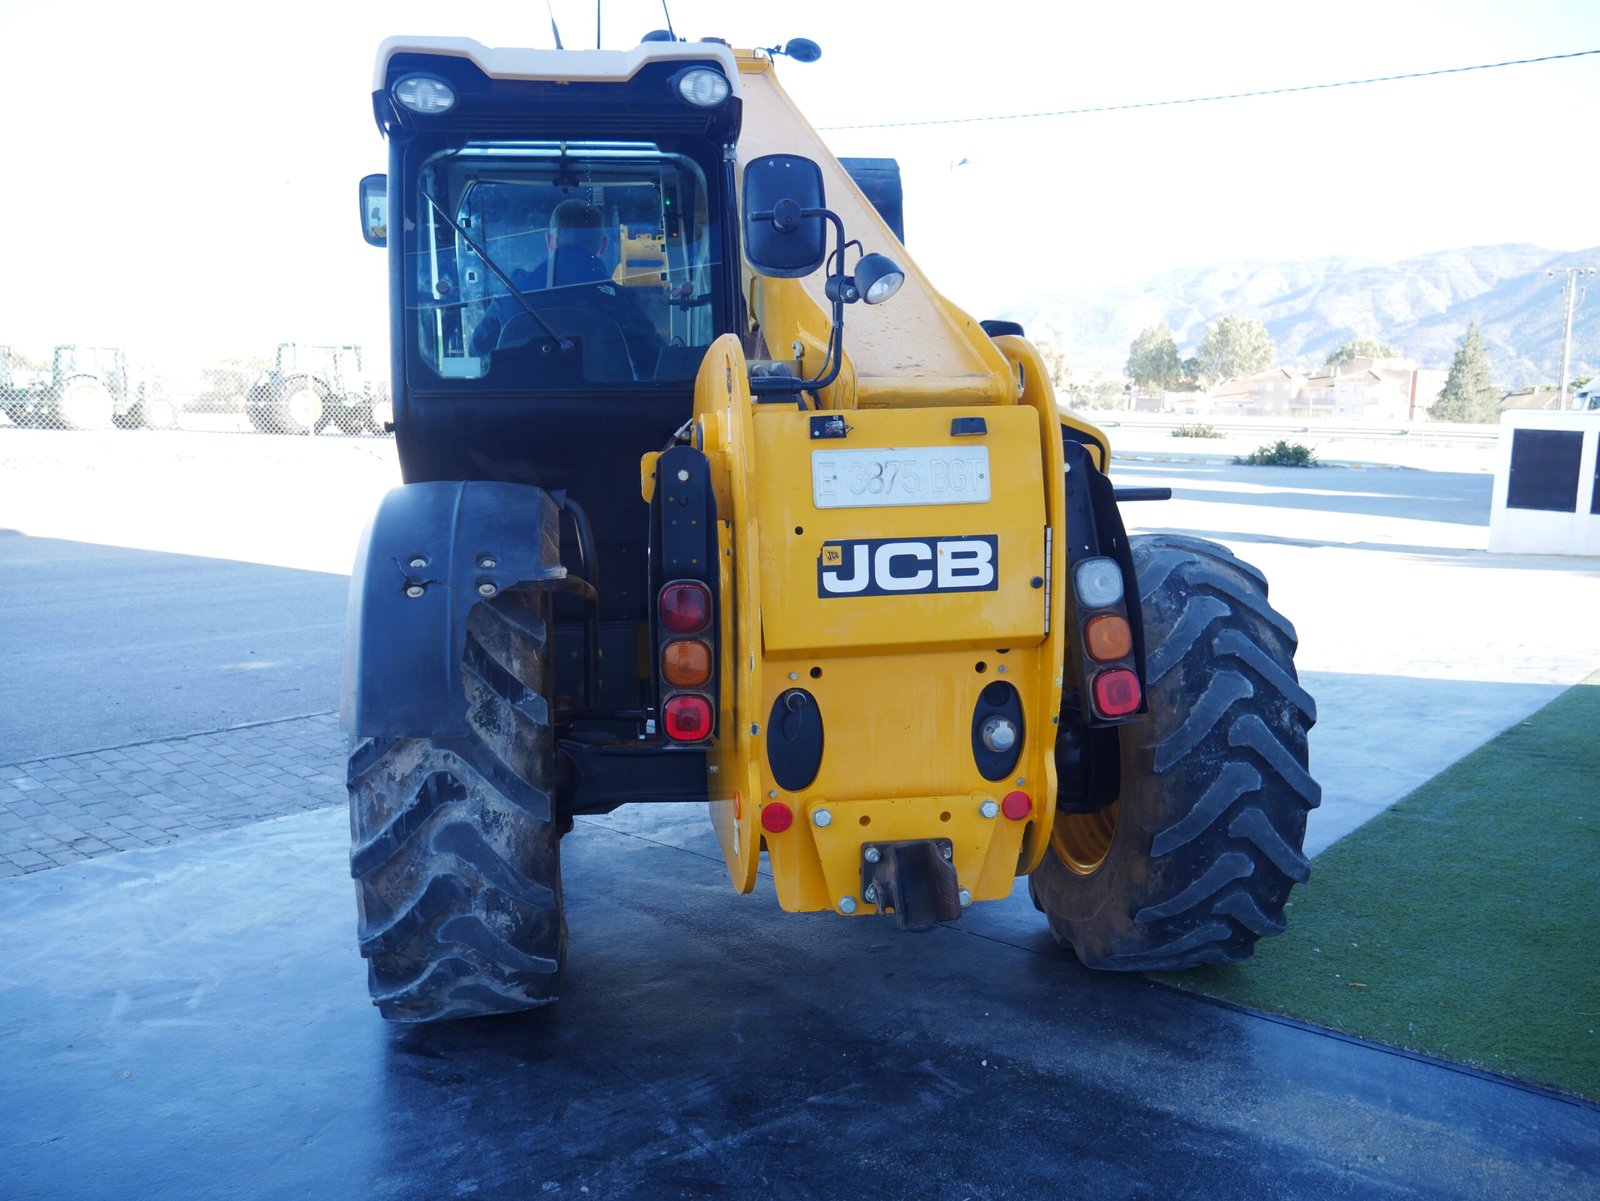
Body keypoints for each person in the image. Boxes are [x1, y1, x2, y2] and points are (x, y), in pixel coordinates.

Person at [469, 198, 664, 374]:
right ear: (603, 245)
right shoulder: (622, 302)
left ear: (550, 242)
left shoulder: (513, 292)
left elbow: (476, 355)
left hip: (516, 411)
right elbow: (655, 363)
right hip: (605, 412)